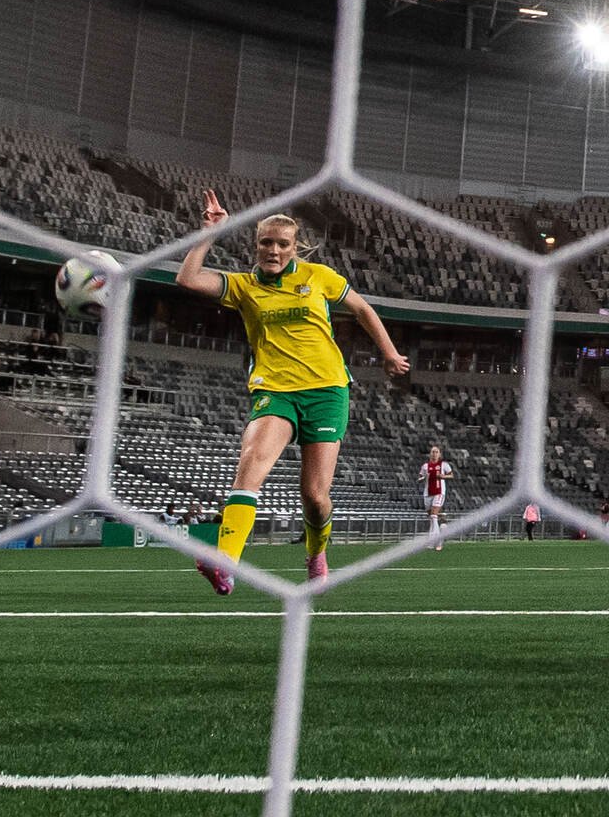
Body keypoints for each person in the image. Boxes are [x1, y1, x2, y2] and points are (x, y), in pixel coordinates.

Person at [175, 190, 410, 592]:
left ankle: (317, 553)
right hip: (274, 392)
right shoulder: (245, 286)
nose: (273, 250)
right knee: (250, 467)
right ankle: (225, 563)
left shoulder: (318, 276)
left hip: (326, 390)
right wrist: (209, 233)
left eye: (282, 244)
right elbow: (188, 278)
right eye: (266, 242)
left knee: (315, 497)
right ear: (256, 245)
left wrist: (388, 353)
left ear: (294, 247)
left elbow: (363, 310)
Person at [417, 445, 454, 551]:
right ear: (430, 454)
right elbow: (419, 478)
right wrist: (424, 478)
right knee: (432, 517)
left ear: (439, 454)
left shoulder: (443, 465)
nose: (434, 454)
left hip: (439, 492)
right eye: (433, 452)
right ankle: (442, 524)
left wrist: (443, 476)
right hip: (427, 493)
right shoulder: (425, 466)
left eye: (436, 452)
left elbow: (451, 475)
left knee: (433, 515)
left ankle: (437, 541)